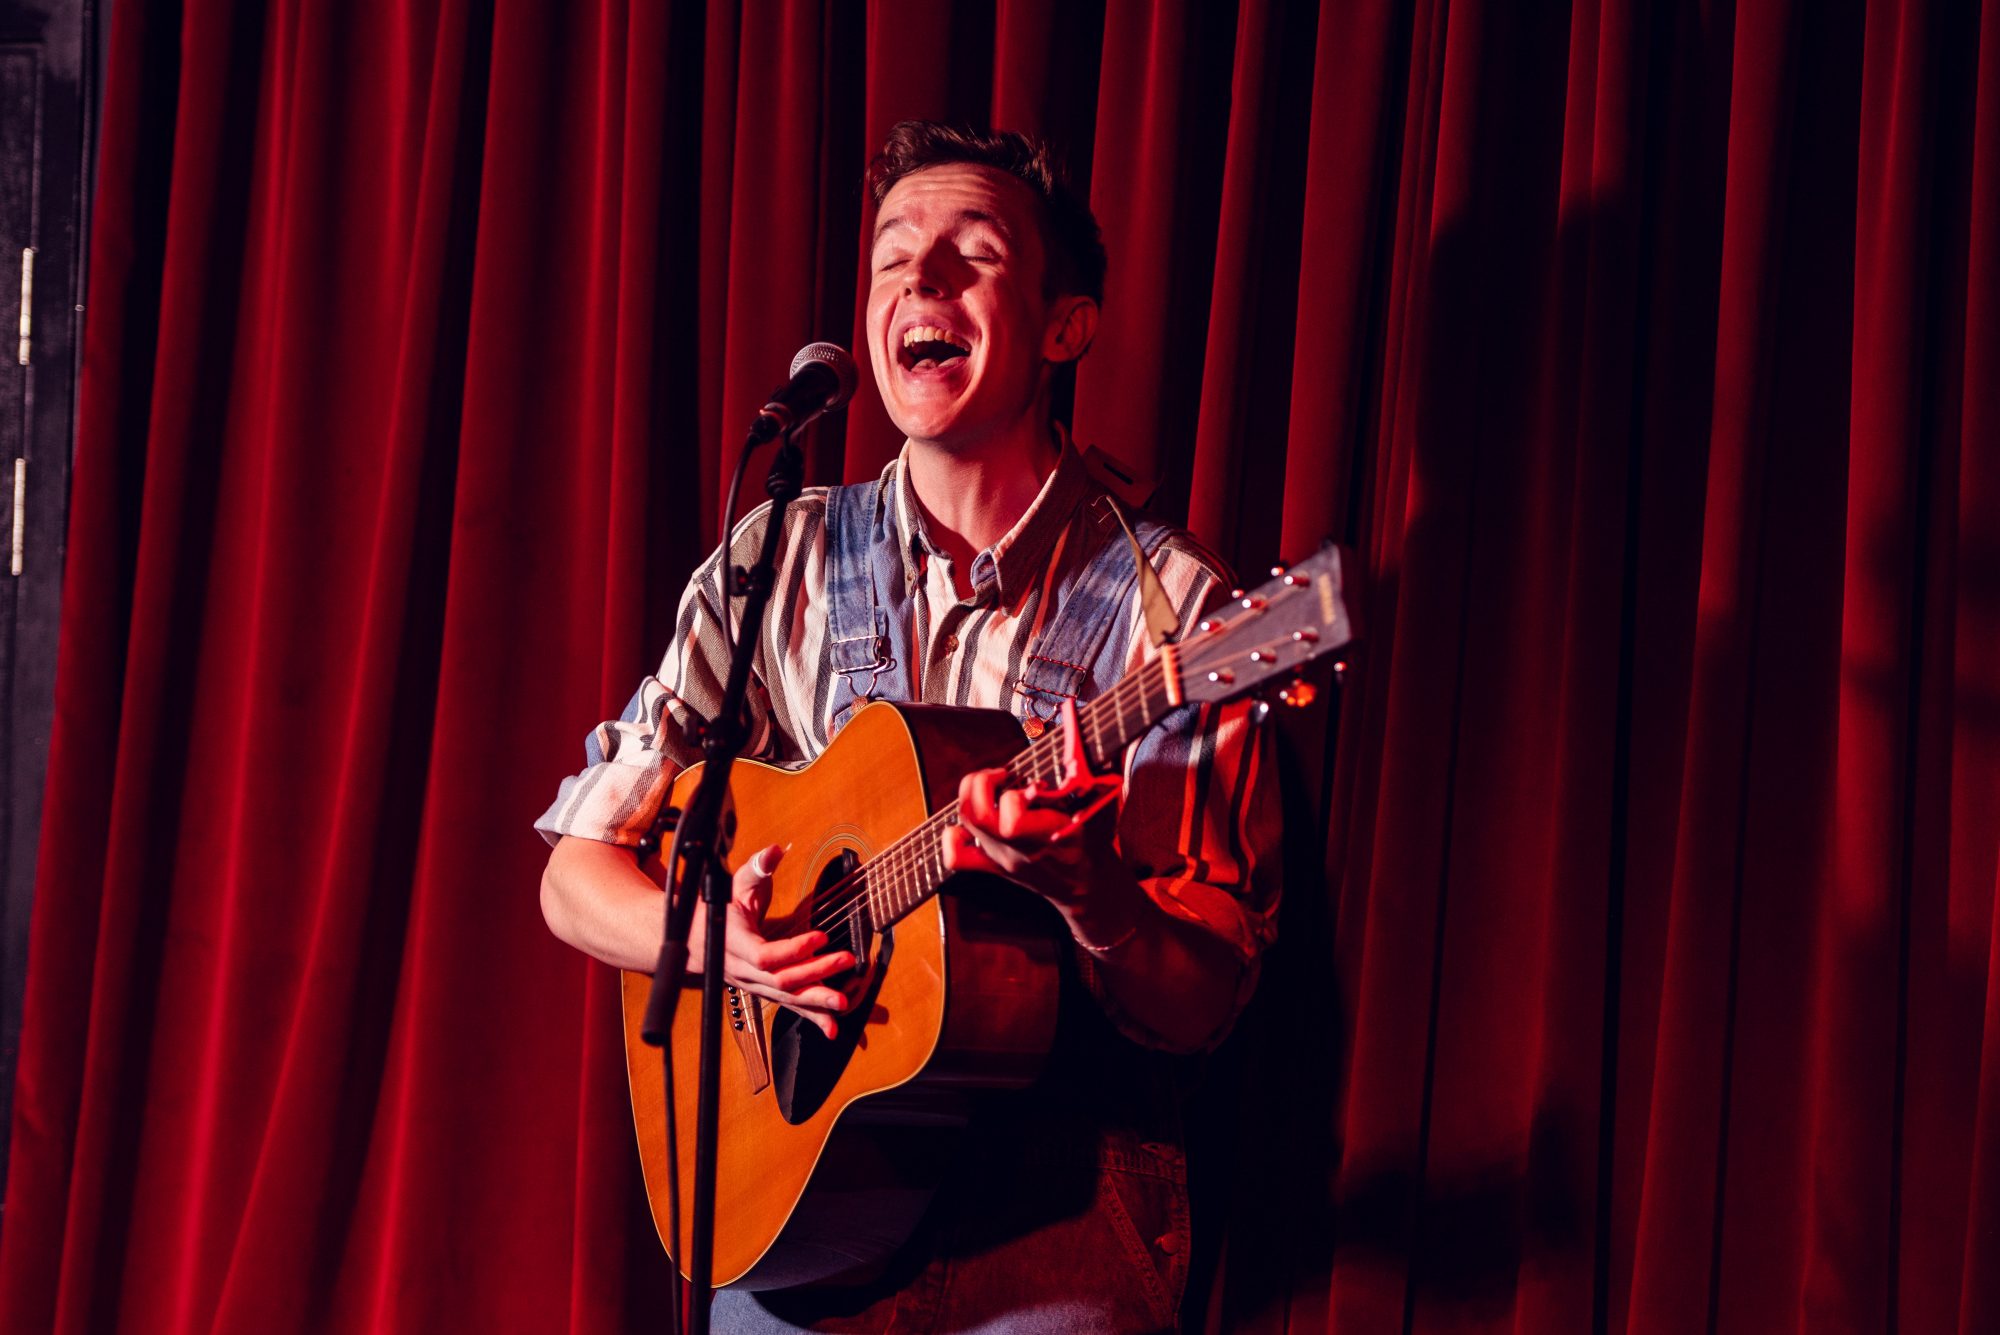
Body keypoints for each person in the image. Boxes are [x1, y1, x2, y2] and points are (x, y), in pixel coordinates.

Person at [538, 122, 1281, 1333]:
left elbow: (1205, 1000)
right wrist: (729, 947)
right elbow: (575, 878)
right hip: (795, 1234)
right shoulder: (776, 557)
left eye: (970, 255)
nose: (921, 283)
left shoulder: (1178, 612)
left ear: (1062, 328)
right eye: (894, 259)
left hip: (1053, 1236)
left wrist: (1089, 888)